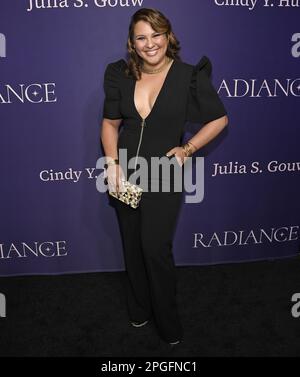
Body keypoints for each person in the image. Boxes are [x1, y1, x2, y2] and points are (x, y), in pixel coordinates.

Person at [100, 7, 228, 346]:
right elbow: (110, 123)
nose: (150, 43)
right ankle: (139, 309)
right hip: (124, 172)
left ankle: (168, 322)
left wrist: (187, 149)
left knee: (154, 248)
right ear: (132, 43)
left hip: (164, 174)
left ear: (168, 36)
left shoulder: (189, 75)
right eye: (141, 37)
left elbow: (219, 119)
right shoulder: (119, 73)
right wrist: (111, 163)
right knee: (132, 246)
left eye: (156, 35)